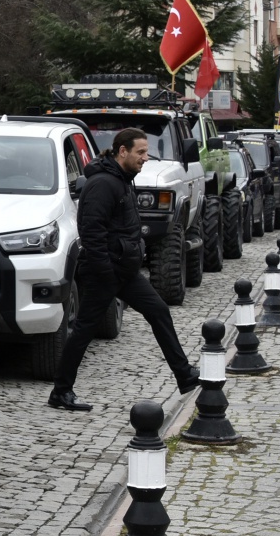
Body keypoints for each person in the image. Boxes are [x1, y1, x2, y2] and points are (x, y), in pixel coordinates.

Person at [48, 128, 198, 412]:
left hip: (123, 271)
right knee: (83, 331)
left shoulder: (123, 179)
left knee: (159, 311)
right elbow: (91, 232)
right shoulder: (104, 183)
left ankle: (185, 375)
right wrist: (105, 273)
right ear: (122, 152)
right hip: (105, 272)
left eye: (146, 151)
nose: (145, 158)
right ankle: (61, 391)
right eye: (140, 152)